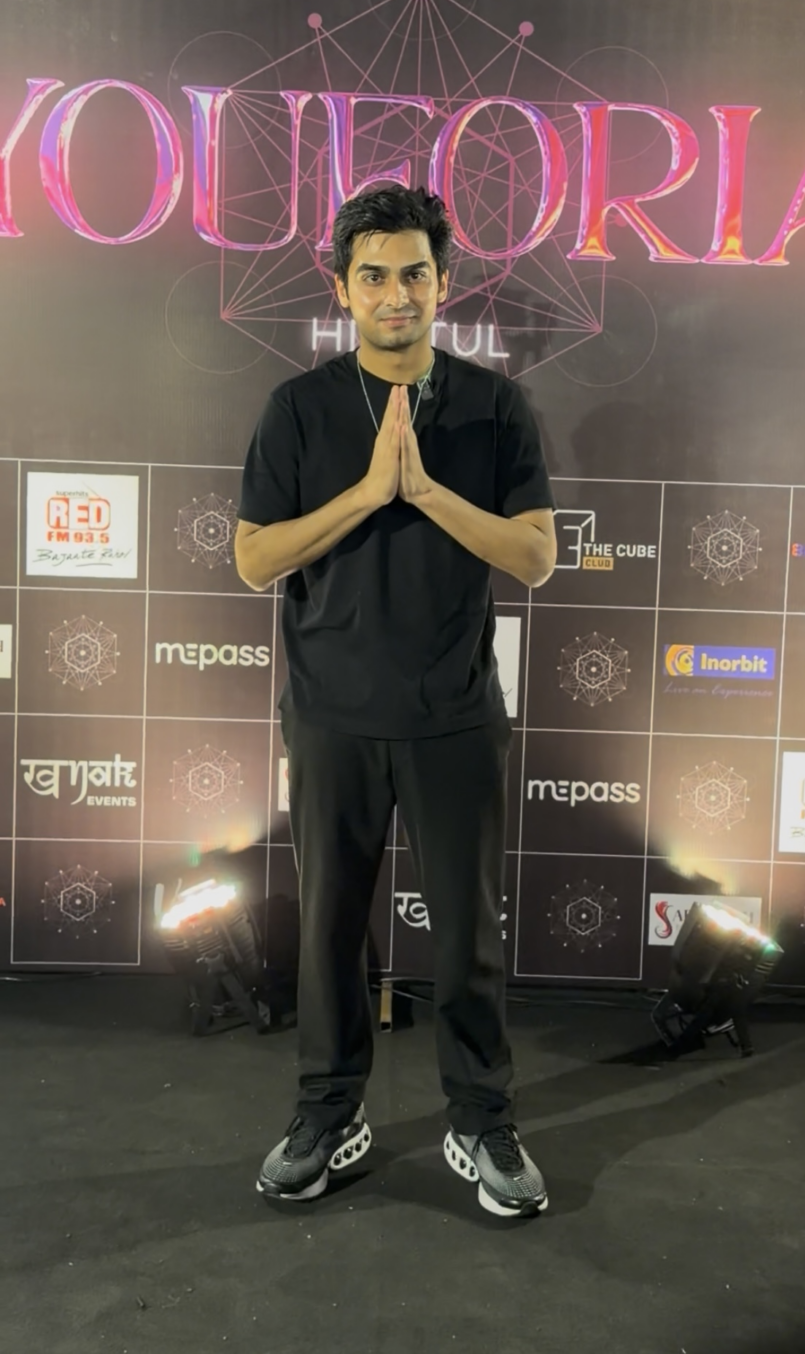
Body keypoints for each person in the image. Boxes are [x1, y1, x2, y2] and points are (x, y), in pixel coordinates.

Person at [235, 183, 557, 1218]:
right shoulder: (298, 410)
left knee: (467, 936)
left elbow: (535, 556)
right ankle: (328, 1114)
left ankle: (481, 1121)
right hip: (331, 713)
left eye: (413, 273)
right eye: (371, 275)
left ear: (442, 283)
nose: (394, 294)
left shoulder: (494, 406)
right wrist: (367, 492)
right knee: (329, 932)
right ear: (341, 288)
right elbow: (254, 559)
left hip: (452, 714)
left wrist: (424, 490)